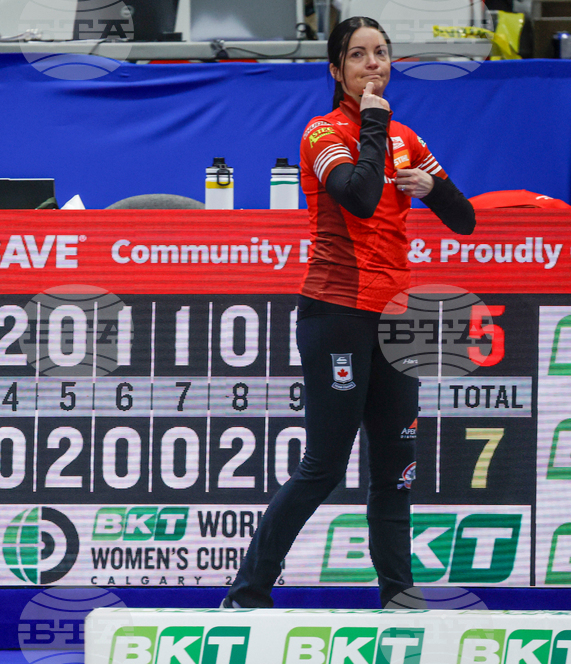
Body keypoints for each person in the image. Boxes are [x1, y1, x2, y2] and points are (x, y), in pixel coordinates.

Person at [223, 15, 476, 609]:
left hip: (398, 316)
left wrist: (430, 188)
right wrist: (373, 122)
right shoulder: (322, 133)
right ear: (336, 70)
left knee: (396, 465)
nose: (374, 65)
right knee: (324, 465)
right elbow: (360, 198)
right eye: (359, 56)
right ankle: (248, 591)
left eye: (382, 54)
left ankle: (397, 591)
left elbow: (464, 219)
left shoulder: (407, 138)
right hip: (335, 310)